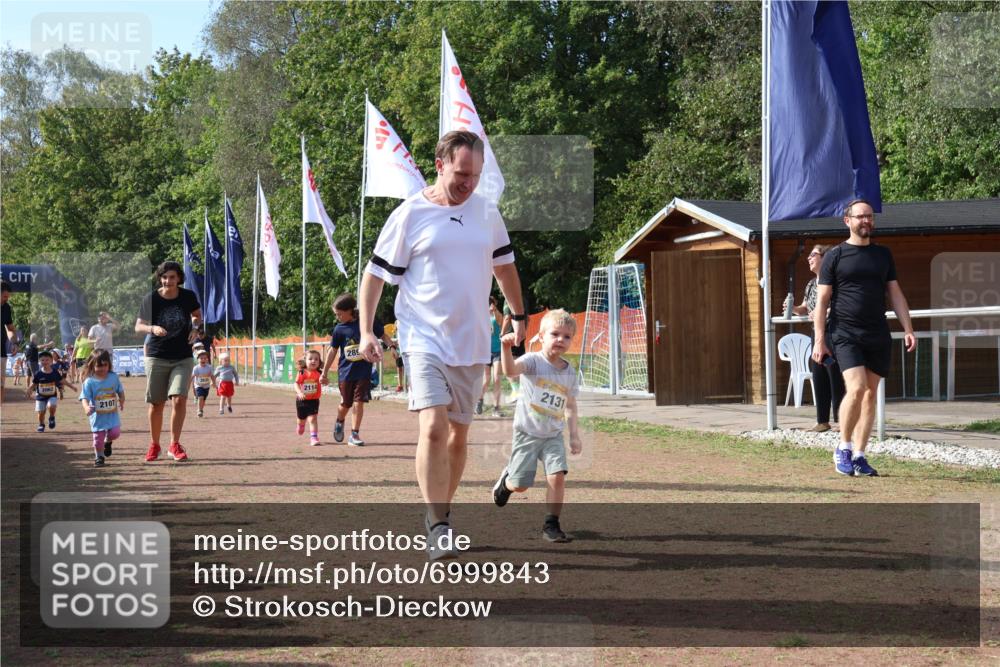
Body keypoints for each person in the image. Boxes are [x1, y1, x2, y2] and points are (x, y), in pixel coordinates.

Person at [358, 129, 526, 560]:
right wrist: (366, 330)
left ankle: (440, 510)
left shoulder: (487, 213)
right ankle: (439, 524)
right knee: (433, 426)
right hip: (422, 337)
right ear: (440, 164)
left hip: (470, 341)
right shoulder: (411, 214)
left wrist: (518, 314)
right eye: (461, 173)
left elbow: (504, 267)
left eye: (475, 175)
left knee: (458, 436)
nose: (468, 182)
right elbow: (375, 276)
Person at [813, 198, 916, 477]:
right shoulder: (835, 256)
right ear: (848, 221)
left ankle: (859, 455)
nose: (866, 221)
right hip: (844, 332)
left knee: (871, 395)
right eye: (860, 217)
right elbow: (822, 302)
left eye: (869, 216)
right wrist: (819, 339)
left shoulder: (883, 255)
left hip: (877, 333)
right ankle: (843, 448)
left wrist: (908, 328)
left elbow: (895, 293)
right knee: (856, 388)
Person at [492, 309, 582, 542]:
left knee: (557, 475)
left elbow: (570, 405)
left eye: (567, 336)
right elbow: (510, 371)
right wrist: (505, 348)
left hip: (553, 435)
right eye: (555, 334)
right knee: (520, 485)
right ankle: (506, 481)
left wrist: (574, 435)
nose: (560, 340)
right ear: (541, 336)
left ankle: (551, 524)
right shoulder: (533, 361)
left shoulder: (569, 372)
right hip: (527, 434)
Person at [135, 260, 203, 463]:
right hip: (157, 355)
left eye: (172, 277)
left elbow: (197, 316)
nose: (168, 281)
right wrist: (152, 329)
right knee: (157, 403)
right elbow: (138, 326)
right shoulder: (151, 299)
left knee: (179, 399)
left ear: (179, 278)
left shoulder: (188, 296)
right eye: (164, 277)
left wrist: (195, 329)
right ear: (160, 278)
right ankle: (154, 444)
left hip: (182, 356)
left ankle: (174, 444)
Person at [322, 293, 394, 447]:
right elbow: (332, 351)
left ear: (349, 310)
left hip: (364, 371)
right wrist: (324, 372)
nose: (338, 317)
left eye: (339, 314)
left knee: (359, 402)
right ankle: (340, 420)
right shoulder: (339, 329)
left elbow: (383, 334)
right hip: (345, 373)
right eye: (336, 314)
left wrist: (392, 347)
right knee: (346, 404)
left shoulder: (366, 323)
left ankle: (354, 434)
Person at [792, 244, 846, 433]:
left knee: (834, 373)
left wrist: (823, 311)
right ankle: (822, 420)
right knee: (819, 374)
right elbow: (805, 307)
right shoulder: (810, 284)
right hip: (817, 335)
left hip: (833, 332)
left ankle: (841, 421)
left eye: (813, 254)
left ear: (825, 258)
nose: (809, 258)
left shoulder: (835, 281)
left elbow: (841, 305)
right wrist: (793, 308)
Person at [79, 350, 125, 467]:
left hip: (112, 415)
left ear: (109, 364)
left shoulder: (113, 377)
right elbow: (84, 397)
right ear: (92, 365)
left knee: (115, 433)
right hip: (97, 416)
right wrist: (86, 407)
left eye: (105, 365)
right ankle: (99, 457)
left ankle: (108, 442)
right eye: (99, 366)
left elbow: (120, 390)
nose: (103, 368)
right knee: (97, 440)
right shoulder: (89, 381)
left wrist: (122, 400)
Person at [28, 350, 70, 432]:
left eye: (47, 360)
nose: (45, 362)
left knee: (52, 405)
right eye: (42, 360)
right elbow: (34, 384)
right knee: (41, 413)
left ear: (51, 361)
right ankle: (41, 424)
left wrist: (61, 392)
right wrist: (29, 390)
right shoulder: (38, 373)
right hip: (40, 396)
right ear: (39, 362)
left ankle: (51, 417)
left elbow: (59, 383)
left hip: (52, 395)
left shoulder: (54, 372)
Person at [476, 296, 504, 417]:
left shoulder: (496, 315)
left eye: (492, 303)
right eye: (489, 303)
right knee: (486, 380)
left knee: (497, 378)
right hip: (485, 352)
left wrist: (494, 311)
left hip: (497, 351)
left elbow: (501, 320)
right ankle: (479, 401)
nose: (491, 305)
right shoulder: (481, 315)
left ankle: (496, 408)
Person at [501, 298, 527, 404]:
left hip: (510, 335)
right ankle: (521, 391)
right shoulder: (522, 298)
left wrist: (502, 333)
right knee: (519, 363)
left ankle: (517, 391)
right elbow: (526, 318)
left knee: (508, 365)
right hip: (520, 334)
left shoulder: (508, 298)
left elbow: (507, 317)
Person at [296, 349, 324, 446]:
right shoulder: (302, 373)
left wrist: (325, 381)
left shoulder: (320, 373)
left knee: (313, 419)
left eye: (316, 359)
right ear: (305, 361)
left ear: (319, 362)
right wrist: (299, 392)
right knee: (301, 418)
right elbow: (296, 383)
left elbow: (326, 381)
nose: (313, 361)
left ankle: (314, 438)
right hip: (302, 400)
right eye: (310, 359)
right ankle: (301, 425)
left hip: (314, 400)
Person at [1, 281, 15, 404]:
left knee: (1, 384)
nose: (7, 299)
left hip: (1, 352)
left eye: (8, 296)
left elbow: (10, 329)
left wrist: (13, 342)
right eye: (5, 296)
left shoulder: (6, 308)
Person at [190, 350, 216, 418]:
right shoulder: (196, 368)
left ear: (207, 359)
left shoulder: (209, 367)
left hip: (206, 386)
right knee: (200, 397)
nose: (203, 360)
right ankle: (199, 410)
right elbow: (192, 376)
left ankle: (201, 409)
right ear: (197, 359)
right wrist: (188, 384)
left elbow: (212, 376)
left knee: (203, 399)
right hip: (198, 385)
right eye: (201, 358)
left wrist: (214, 383)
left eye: (205, 358)